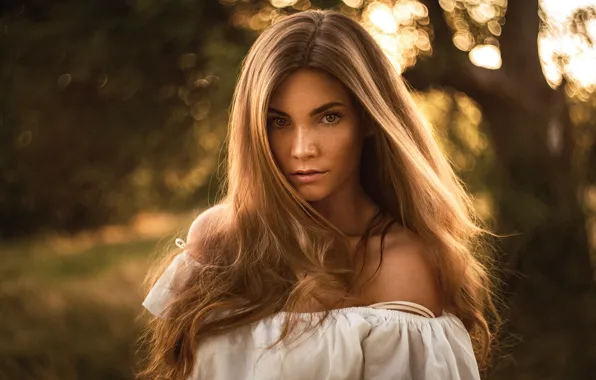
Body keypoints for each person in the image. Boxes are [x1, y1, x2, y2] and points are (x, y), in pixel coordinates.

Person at [139, 9, 501, 380]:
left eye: (328, 117)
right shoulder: (219, 241)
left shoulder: (404, 263)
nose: (302, 149)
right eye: (278, 122)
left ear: (369, 121)